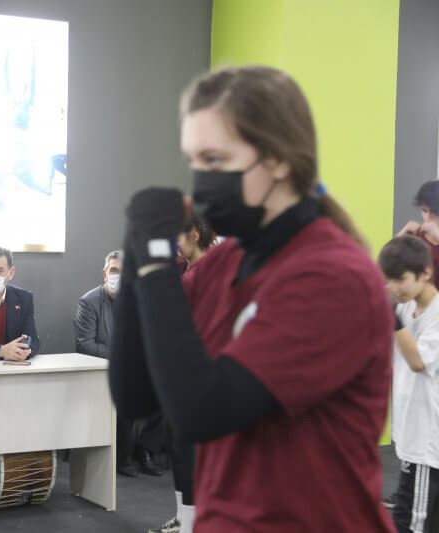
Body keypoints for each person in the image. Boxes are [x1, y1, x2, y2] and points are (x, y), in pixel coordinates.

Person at [109, 65, 395, 531]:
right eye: (194, 162)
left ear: (278, 159)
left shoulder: (333, 276)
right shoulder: (223, 264)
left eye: (215, 159)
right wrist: (135, 252)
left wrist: (158, 263)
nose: (201, 180)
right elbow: (135, 395)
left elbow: (203, 412)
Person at [150, 216, 216, 533]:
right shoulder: (186, 270)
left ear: (194, 234)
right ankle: (183, 518)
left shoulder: (205, 276)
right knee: (179, 449)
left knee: (189, 452)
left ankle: (191, 525)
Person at [75, 251, 163, 477]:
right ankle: (122, 457)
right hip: (103, 371)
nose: (118, 276)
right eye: (114, 270)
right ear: (105, 273)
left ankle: (145, 450)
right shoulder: (90, 302)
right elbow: (85, 345)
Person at [379, 235, 439, 533]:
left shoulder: (436, 315)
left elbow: (417, 361)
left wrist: (391, 315)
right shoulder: (406, 306)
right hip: (411, 437)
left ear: (425, 273)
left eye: (400, 280)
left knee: (410, 524)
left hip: (425, 445)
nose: (394, 287)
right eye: (390, 280)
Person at [397, 180, 439, 287]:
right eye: (424, 210)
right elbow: (387, 265)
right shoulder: (416, 235)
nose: (428, 217)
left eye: (434, 212)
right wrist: (399, 238)